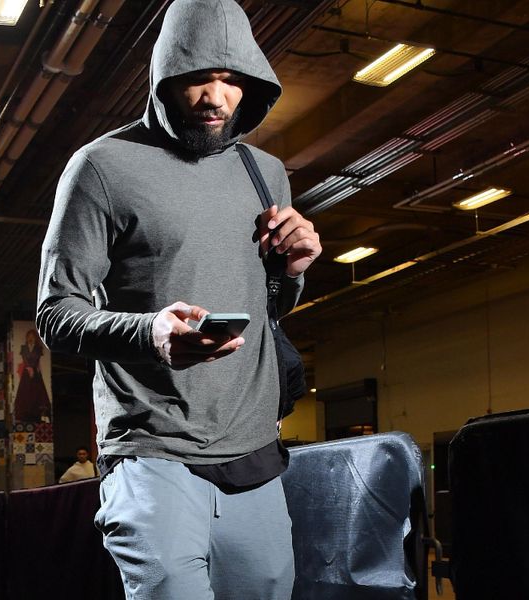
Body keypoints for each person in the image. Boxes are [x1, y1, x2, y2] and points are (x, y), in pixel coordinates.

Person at [36, 0, 321, 597]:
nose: (215, 97)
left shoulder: (263, 171)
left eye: (231, 79)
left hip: (254, 449)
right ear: (166, 77)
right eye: (198, 77)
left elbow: (268, 309)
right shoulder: (102, 167)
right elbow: (55, 313)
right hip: (152, 446)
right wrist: (151, 333)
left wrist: (292, 270)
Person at [14, 328, 52, 422]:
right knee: (25, 392)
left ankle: (38, 412)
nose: (30, 339)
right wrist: (28, 367)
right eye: (29, 337)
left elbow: (37, 360)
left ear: (35, 338)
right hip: (27, 372)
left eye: (32, 337)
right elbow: (24, 359)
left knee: (37, 392)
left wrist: (35, 369)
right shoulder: (24, 348)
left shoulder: (38, 348)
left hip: (35, 373)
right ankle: (24, 413)